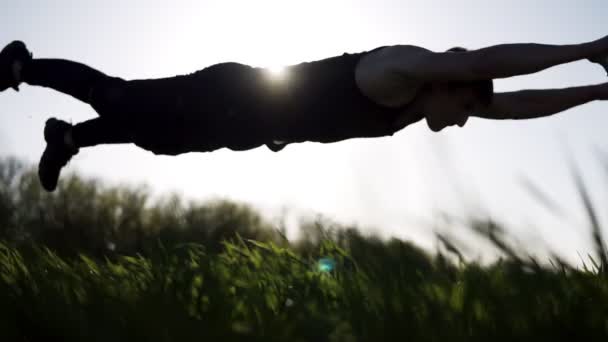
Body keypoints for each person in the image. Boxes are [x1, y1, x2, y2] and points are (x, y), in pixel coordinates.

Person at [1, 37, 608, 192]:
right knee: (121, 98)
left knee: (154, 141)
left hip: (246, 126)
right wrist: (585, 52)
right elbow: (479, 60)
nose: (466, 121)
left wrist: (596, 95)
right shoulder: (394, 69)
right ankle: (23, 66)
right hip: (230, 96)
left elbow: (521, 107)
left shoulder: (419, 104)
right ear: (454, 83)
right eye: (468, 108)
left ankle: (70, 137)